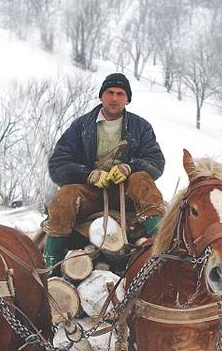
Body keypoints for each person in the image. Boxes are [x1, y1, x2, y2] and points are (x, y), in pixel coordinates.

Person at [43, 72, 166, 268]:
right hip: (91, 193)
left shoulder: (141, 127)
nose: (114, 98)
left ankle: (163, 247)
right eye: (110, 92)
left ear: (128, 99)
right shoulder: (80, 126)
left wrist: (130, 167)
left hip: (128, 193)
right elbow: (58, 164)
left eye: (120, 93)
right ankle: (50, 264)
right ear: (101, 96)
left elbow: (156, 162)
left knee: (142, 179)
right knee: (65, 195)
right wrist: (88, 175)